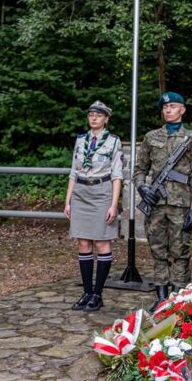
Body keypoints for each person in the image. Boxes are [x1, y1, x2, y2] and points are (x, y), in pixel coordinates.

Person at [134, 91, 192, 305]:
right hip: (155, 204)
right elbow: (140, 169)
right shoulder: (151, 137)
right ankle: (161, 298)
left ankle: (178, 298)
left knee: (180, 252)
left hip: (180, 205)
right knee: (158, 251)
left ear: (182, 110)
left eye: (173, 106)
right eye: (165, 107)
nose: (168, 110)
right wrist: (142, 188)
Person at [64, 101, 124, 312]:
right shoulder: (81, 141)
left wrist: (113, 204)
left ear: (106, 119)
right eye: (91, 115)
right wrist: (68, 200)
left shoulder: (113, 142)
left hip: (101, 192)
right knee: (83, 244)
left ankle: (98, 294)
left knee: (101, 243)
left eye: (99, 115)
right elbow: (73, 171)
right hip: (81, 192)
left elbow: (117, 175)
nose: (94, 118)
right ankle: (87, 292)